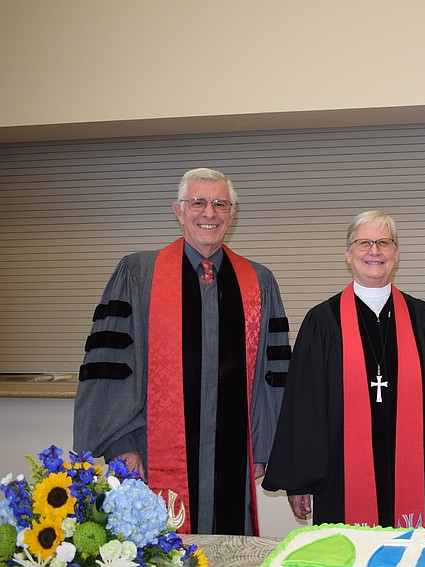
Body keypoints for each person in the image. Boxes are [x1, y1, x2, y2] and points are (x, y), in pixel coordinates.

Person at [73, 168, 291, 535]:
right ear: (178, 210)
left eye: (220, 204)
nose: (209, 213)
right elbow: (110, 364)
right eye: (198, 202)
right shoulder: (138, 274)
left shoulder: (258, 281)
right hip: (148, 453)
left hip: (233, 454)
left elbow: (274, 369)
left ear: (232, 213)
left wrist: (264, 444)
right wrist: (121, 444)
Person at [262, 211, 425, 528]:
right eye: (364, 243)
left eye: (384, 242)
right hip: (340, 478)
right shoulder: (322, 322)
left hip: (418, 474)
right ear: (348, 253)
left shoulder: (424, 320)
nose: (374, 251)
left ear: (397, 253)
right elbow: (303, 405)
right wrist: (301, 482)